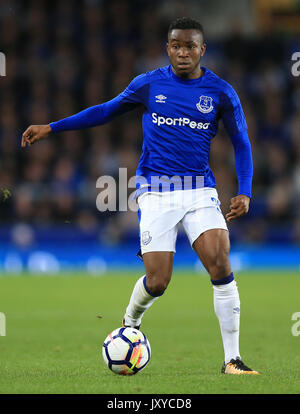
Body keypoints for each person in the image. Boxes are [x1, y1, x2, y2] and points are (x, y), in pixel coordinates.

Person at [22, 17, 259, 375]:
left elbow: (241, 142)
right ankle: (131, 320)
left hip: (199, 190)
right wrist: (52, 127)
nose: (183, 53)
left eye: (190, 46)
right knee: (158, 281)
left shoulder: (221, 92)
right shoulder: (148, 84)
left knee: (220, 262)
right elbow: (104, 111)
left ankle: (232, 359)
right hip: (156, 192)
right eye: (176, 46)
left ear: (202, 50)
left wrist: (245, 191)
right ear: (168, 48)